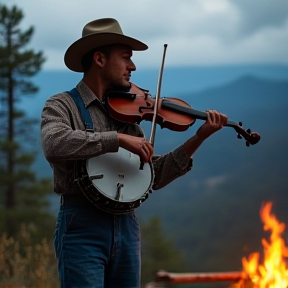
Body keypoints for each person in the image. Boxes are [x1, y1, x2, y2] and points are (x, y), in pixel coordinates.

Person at [40, 18, 247, 288]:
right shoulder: (61, 105)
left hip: (127, 226)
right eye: (126, 58)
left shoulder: (129, 114)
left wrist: (199, 137)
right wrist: (118, 139)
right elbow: (54, 143)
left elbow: (153, 176)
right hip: (81, 226)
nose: (133, 67)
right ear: (100, 59)